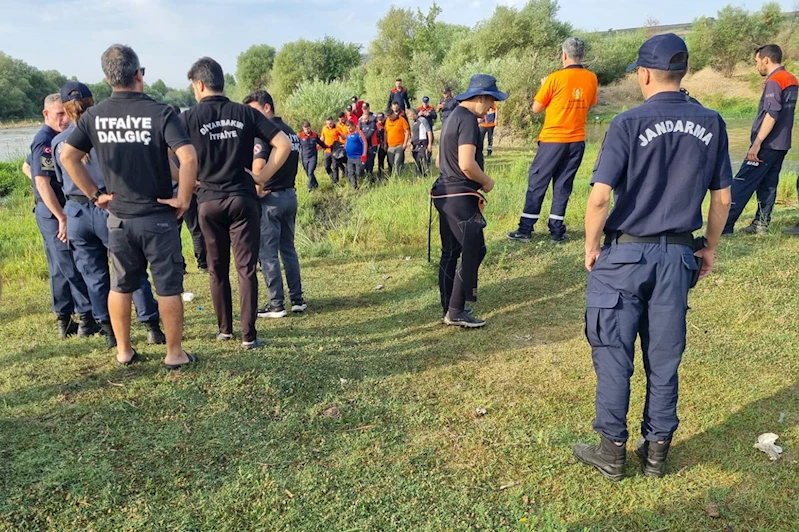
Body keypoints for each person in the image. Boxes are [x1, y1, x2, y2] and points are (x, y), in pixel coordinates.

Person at [572, 34, 732, 481]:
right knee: (663, 356)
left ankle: (612, 450)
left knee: (613, 351)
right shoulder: (713, 123)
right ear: (682, 74)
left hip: (626, 254)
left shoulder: (627, 123)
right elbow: (722, 199)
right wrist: (710, 248)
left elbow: (600, 197)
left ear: (643, 74)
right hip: (679, 253)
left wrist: (591, 246)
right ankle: (657, 452)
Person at [61, 44, 198, 368]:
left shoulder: (94, 116)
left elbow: (68, 156)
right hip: (158, 217)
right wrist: (185, 198)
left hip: (118, 217)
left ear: (109, 79)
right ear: (139, 74)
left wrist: (96, 195)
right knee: (167, 285)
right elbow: (188, 157)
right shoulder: (161, 112)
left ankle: (124, 350)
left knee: (121, 284)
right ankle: (174, 354)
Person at [181, 58, 292, 348]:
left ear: (200, 84)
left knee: (217, 269)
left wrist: (189, 182)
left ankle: (224, 330)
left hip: (208, 200)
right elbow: (285, 144)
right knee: (246, 269)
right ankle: (248, 336)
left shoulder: (189, 117)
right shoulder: (244, 113)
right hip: (243, 199)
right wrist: (261, 177)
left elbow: (165, 154)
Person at [52, 81, 165, 349]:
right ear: (95, 103)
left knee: (93, 273)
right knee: (130, 268)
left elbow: (59, 179)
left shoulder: (58, 141)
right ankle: (150, 325)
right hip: (108, 204)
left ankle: (109, 330)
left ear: (66, 111)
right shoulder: (106, 135)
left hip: (77, 209)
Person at [431, 74, 507, 328]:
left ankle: (449, 305)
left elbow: (440, 161)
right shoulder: (469, 121)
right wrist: (486, 181)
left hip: (444, 192)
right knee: (475, 249)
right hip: (460, 196)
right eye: (491, 101)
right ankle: (455, 311)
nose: (491, 108)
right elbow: (466, 164)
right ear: (481, 97)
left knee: (451, 252)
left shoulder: (452, 116)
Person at [508, 37, 598, 244]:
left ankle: (525, 229)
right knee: (563, 184)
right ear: (582, 55)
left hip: (553, 139)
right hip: (577, 140)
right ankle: (557, 231)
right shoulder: (591, 78)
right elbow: (589, 105)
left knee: (538, 181)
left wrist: (545, 86)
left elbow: (536, 108)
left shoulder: (554, 78)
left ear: (564, 55)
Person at [29, 93, 96, 339]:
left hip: (56, 208)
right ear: (46, 114)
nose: (65, 119)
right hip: (53, 210)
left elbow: (28, 167)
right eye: (59, 114)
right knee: (68, 264)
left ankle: (66, 318)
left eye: (66, 113)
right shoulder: (45, 140)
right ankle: (86, 316)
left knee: (60, 265)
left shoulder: (55, 138)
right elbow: (43, 183)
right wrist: (61, 217)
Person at [242, 89, 307, 319]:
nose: (251, 116)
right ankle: (297, 299)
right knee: (288, 249)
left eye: (254, 111)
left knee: (267, 252)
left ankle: (276, 303)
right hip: (290, 195)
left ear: (267, 107)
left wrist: (256, 192)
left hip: (270, 198)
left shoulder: (264, 135)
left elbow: (258, 167)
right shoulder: (291, 133)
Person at [722, 44, 799, 236]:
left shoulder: (775, 80)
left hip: (767, 143)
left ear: (766, 59)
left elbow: (772, 114)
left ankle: (724, 226)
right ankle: (761, 224)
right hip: (782, 143)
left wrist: (757, 143)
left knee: (742, 182)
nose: (757, 65)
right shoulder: (791, 79)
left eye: (757, 61)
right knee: (769, 183)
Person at [167, 104, 207, 272]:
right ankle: (203, 263)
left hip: (171, 193)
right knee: (196, 229)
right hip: (189, 190)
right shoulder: (187, 141)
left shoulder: (164, 141)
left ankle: (180, 265)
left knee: (174, 233)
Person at [298, 120, 327, 192]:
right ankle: (315, 184)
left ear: (310, 127)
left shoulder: (314, 135)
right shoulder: (300, 136)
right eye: (305, 129)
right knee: (308, 173)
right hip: (304, 157)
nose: (307, 130)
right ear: (303, 128)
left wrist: (328, 147)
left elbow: (320, 143)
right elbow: (297, 146)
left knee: (310, 172)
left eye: (308, 128)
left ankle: (309, 187)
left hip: (313, 156)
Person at [385, 103, 410, 176]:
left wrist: (405, 143)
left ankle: (397, 178)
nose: (389, 118)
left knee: (397, 162)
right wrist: (385, 143)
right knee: (391, 162)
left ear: (393, 113)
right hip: (390, 146)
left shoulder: (402, 119)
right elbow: (386, 132)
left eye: (390, 116)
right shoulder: (387, 121)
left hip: (399, 145)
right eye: (388, 117)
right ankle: (394, 175)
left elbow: (407, 131)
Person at [408, 108, 432, 178]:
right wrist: (411, 143)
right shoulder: (414, 122)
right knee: (416, 160)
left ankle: (422, 175)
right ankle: (421, 175)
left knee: (422, 160)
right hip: (415, 144)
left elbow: (429, 131)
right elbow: (413, 134)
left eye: (410, 116)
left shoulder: (422, 120)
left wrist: (429, 144)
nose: (410, 118)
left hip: (422, 143)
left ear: (414, 114)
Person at [344, 120, 368, 189]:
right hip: (350, 157)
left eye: (350, 128)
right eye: (348, 128)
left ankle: (365, 178)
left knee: (359, 172)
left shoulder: (358, 133)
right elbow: (347, 142)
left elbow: (364, 142)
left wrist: (364, 154)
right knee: (351, 172)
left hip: (358, 156)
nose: (349, 129)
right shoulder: (348, 134)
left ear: (354, 126)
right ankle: (354, 187)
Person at [320, 116, 344, 184]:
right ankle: (332, 176)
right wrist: (319, 144)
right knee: (326, 166)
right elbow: (322, 137)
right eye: (328, 124)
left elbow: (343, 137)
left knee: (335, 166)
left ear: (333, 122)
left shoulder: (337, 128)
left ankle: (335, 182)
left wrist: (340, 135)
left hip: (335, 150)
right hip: (327, 150)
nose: (329, 125)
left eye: (330, 123)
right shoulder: (324, 128)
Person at [359, 103, 379, 178]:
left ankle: (370, 175)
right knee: (364, 161)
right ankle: (366, 176)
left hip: (372, 144)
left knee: (370, 161)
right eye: (363, 108)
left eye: (366, 108)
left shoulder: (374, 119)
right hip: (364, 145)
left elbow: (369, 135)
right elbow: (359, 131)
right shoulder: (360, 120)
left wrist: (362, 140)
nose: (365, 109)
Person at [375, 112, 388, 180]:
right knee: (380, 160)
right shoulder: (376, 125)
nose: (380, 121)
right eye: (379, 119)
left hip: (389, 143)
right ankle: (380, 175)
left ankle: (391, 172)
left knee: (390, 160)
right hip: (381, 144)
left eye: (381, 119)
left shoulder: (387, 123)